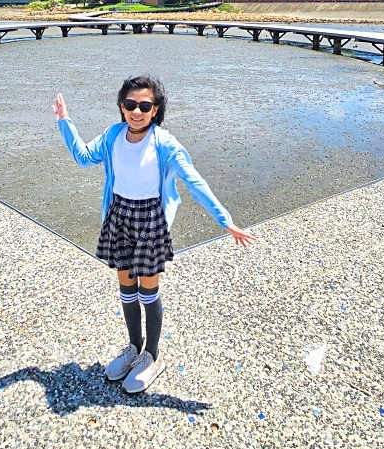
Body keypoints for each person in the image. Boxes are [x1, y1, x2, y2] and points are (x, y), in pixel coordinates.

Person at [53, 75, 256, 394]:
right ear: (122, 107)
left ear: (155, 109)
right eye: (130, 104)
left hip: (150, 221)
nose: (136, 111)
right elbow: (82, 157)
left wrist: (225, 221)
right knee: (126, 290)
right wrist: (65, 122)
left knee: (148, 291)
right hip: (119, 216)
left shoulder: (165, 144)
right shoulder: (113, 135)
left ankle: (151, 355)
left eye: (144, 105)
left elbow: (194, 182)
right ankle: (133, 348)